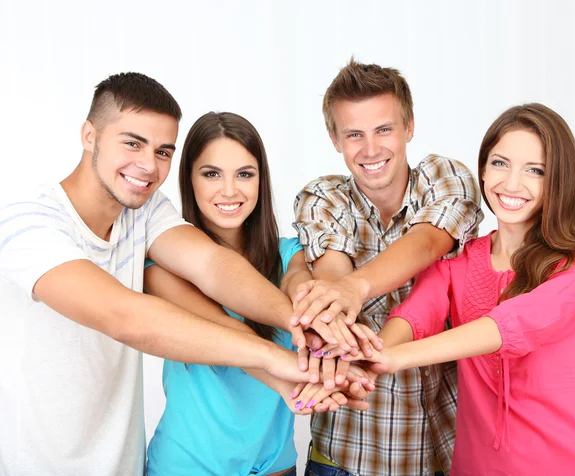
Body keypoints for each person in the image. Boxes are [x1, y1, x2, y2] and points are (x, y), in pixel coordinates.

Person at [0, 73, 354, 476]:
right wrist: (281, 360)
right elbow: (123, 316)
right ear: (89, 135)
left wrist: (296, 325)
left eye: (163, 151)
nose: (148, 165)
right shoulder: (25, 222)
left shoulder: (144, 211)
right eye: (132, 143)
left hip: (124, 466)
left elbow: (212, 265)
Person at [347, 103, 575, 475]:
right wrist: (370, 358)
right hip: (475, 466)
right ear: (482, 169)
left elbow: (510, 325)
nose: (511, 184)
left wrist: (395, 360)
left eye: (535, 170)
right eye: (500, 163)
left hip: (570, 462)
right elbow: (414, 316)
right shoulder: (460, 262)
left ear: (557, 181)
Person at [143, 112, 373, 476]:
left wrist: (322, 322)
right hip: (186, 465)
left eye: (245, 174)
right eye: (211, 174)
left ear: (261, 181)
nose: (230, 191)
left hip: (275, 465)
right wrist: (307, 367)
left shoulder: (289, 252)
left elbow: (298, 282)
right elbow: (228, 332)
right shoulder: (161, 267)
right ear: (189, 179)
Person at [291, 59, 483, 475]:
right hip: (346, 456)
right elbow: (332, 275)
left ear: (409, 127)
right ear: (334, 139)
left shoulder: (444, 176)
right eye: (354, 134)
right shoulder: (322, 197)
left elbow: (428, 241)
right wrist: (339, 298)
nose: (371, 149)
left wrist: (355, 288)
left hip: (441, 452)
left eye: (384, 129)